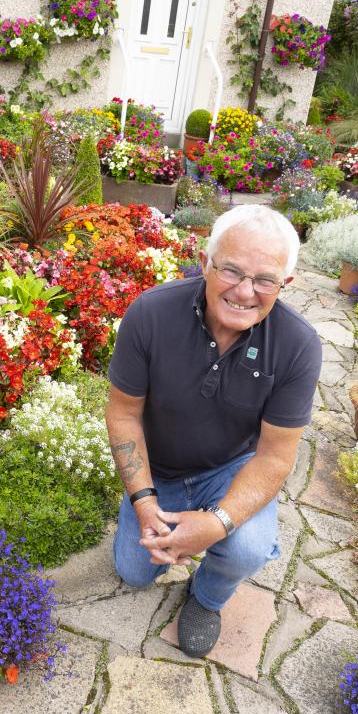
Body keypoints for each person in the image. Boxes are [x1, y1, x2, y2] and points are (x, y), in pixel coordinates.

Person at [105, 205, 322, 657]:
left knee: (246, 549)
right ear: (205, 262)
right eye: (230, 270)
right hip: (159, 472)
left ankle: (207, 598)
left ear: (286, 285)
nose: (245, 291)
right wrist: (144, 502)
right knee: (133, 571)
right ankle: (158, 526)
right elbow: (124, 415)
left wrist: (216, 523)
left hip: (230, 468)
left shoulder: (298, 345)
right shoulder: (151, 313)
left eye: (265, 280)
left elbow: (275, 457)